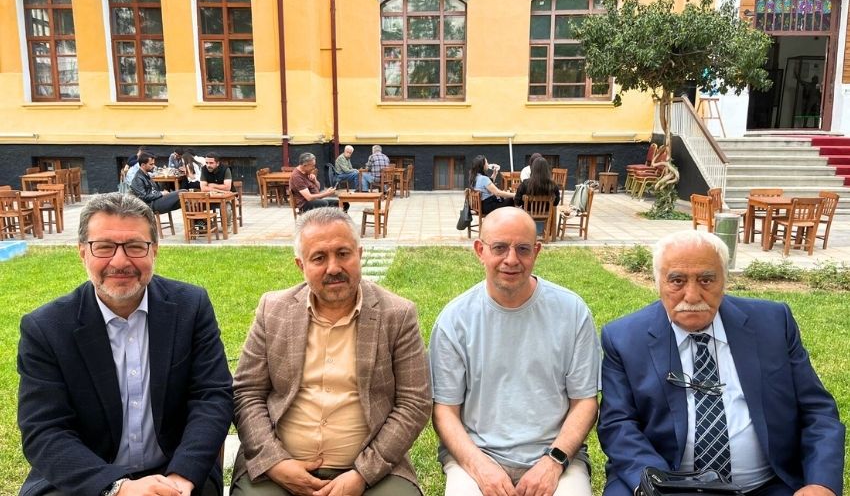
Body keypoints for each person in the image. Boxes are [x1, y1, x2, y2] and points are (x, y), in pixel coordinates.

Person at [17, 192, 233, 496]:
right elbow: (44, 430)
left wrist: (181, 476)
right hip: (86, 479)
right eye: (104, 247)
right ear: (82, 252)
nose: (120, 261)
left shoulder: (190, 307)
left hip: (174, 472)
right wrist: (118, 488)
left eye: (135, 246)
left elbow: (212, 396)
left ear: (154, 250)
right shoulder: (46, 328)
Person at [598, 230, 844, 496]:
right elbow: (618, 424)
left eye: (706, 280)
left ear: (725, 280)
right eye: (677, 281)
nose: (692, 296)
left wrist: (821, 483)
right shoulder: (624, 338)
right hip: (663, 483)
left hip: (766, 485)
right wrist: (659, 486)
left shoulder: (773, 323)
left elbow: (817, 411)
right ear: (658, 283)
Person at [231, 207, 432, 496]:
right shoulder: (273, 310)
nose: (333, 268)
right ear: (300, 265)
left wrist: (362, 475)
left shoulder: (397, 315)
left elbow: (414, 403)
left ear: (359, 254)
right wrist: (275, 462)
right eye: (319, 258)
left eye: (343, 253)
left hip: (373, 469)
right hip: (281, 464)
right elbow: (246, 393)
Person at [430, 207, 600, 496]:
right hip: (477, 454)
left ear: (536, 251)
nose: (511, 260)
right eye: (499, 248)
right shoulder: (454, 320)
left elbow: (585, 402)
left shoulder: (572, 312)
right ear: (480, 250)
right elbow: (444, 410)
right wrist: (480, 467)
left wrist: (553, 463)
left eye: (523, 249)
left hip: (556, 455)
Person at [514, 157, 560, 235]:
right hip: (546, 213)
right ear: (547, 170)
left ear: (533, 169)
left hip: (528, 213)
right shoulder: (553, 185)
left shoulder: (525, 184)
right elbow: (556, 202)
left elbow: (517, 202)